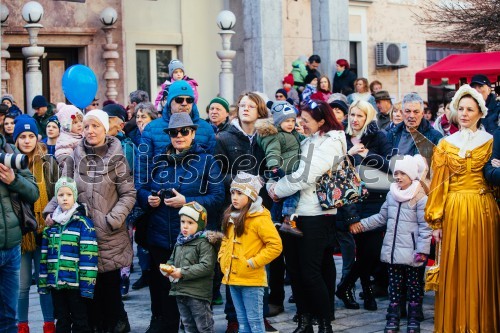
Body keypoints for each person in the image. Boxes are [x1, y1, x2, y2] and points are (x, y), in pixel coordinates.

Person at [44, 109, 136, 333]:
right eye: (86, 126)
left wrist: (111, 220)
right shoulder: (74, 156)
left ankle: (118, 324)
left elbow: (128, 194)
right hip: (81, 238)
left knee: (110, 293)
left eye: (95, 126)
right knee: (88, 294)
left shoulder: (117, 158)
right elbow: (62, 188)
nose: (90, 130)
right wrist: (51, 211)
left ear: (105, 128)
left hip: (108, 236)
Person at [136, 112, 224, 333]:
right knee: (163, 295)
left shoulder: (207, 161)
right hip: (160, 238)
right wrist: (149, 198)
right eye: (174, 132)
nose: (179, 136)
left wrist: (188, 201)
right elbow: (142, 188)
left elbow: (217, 197)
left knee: (192, 298)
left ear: (193, 133)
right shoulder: (158, 161)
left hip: (191, 243)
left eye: (184, 131)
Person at [425, 84, 500, 333]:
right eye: (461, 109)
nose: (465, 113)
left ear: (481, 112)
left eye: (470, 109)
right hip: (454, 211)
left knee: (482, 271)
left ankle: (483, 326)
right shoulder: (446, 144)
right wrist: (436, 222)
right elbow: (438, 186)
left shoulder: (491, 142)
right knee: (454, 271)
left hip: (483, 212)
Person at [268, 100, 345, 332]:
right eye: (300, 119)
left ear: (321, 121)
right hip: (295, 212)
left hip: (316, 215)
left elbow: (305, 176)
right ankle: (304, 320)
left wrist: (276, 190)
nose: (301, 124)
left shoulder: (330, 142)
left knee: (311, 272)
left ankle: (323, 322)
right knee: (295, 269)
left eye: (306, 120)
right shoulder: (310, 140)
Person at [215, 92, 279, 332]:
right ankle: (234, 317)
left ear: (260, 111)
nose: (245, 109)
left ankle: (260, 316)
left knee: (261, 261)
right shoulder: (224, 137)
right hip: (235, 208)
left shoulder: (268, 137)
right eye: (242, 105)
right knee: (235, 259)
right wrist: (243, 182)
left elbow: (276, 165)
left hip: (262, 208)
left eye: (251, 106)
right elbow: (217, 173)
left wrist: (268, 179)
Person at [351, 155, 431, 333]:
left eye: (403, 173)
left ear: (411, 175)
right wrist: (361, 225)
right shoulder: (392, 194)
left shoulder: (420, 197)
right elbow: (382, 217)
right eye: (396, 173)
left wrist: (422, 251)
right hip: (393, 252)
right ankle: (393, 317)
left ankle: (413, 318)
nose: (399, 177)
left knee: (414, 287)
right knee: (393, 287)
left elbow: (425, 228)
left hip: (412, 253)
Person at [335, 100, 392, 312]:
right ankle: (367, 293)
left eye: (360, 115)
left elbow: (391, 165)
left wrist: (368, 155)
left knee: (371, 251)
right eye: (352, 115)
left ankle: (346, 286)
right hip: (351, 201)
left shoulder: (378, 137)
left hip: (375, 201)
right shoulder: (340, 136)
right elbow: (333, 168)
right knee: (363, 251)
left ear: (367, 117)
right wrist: (349, 153)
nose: (355, 119)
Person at [219, 172, 283, 333]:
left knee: (255, 321)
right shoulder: (230, 215)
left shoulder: (260, 218)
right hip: (232, 277)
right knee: (241, 320)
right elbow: (226, 240)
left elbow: (275, 245)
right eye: (233, 192)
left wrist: (254, 262)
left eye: (240, 193)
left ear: (251, 195)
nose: (234, 197)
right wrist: (222, 258)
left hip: (252, 280)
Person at [14, 115, 59, 333]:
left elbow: (56, 194)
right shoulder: (9, 164)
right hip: (20, 235)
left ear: (36, 137)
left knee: (44, 285)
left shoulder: (48, 163)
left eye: (31, 135)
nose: (27, 140)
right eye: (22, 136)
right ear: (16, 140)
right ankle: (21, 325)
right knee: (22, 286)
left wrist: (51, 214)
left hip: (44, 231)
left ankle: (49, 323)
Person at [38, 177, 99, 333]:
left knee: (81, 320)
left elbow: (89, 257)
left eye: (69, 194)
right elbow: (44, 258)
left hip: (76, 285)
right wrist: (44, 282)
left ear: (75, 196)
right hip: (56, 284)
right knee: (62, 320)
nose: (65, 198)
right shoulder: (51, 226)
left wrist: (87, 286)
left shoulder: (83, 223)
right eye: (60, 195)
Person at [136, 80, 216, 190]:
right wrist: (146, 197)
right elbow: (143, 167)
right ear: (169, 101)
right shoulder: (151, 128)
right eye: (179, 99)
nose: (184, 103)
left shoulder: (206, 129)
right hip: (160, 198)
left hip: (195, 199)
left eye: (189, 100)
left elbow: (213, 170)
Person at [161, 202, 223, 333]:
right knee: (188, 325)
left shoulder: (204, 242)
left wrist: (182, 272)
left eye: (190, 223)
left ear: (199, 224)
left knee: (204, 327)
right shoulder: (180, 242)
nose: (185, 226)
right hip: (180, 291)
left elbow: (207, 266)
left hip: (198, 294)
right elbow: (172, 259)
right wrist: (168, 268)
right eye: (182, 221)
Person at [0, 129, 40, 333]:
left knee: (9, 316)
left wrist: (13, 180)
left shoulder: (8, 150)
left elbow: (34, 193)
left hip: (12, 246)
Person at [256, 101, 304, 236]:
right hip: (283, 170)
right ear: (278, 122)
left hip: (290, 170)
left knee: (279, 199)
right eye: (286, 121)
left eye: (293, 120)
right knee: (293, 193)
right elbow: (273, 152)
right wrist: (274, 167)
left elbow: (302, 141)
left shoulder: (292, 133)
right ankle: (288, 220)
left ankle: (275, 220)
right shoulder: (275, 136)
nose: (290, 124)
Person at [386, 93, 443, 167]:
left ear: (422, 114)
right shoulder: (392, 134)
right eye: (408, 111)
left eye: (416, 112)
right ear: (402, 113)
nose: (411, 116)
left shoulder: (434, 136)